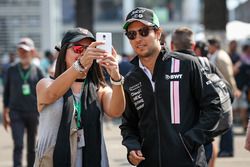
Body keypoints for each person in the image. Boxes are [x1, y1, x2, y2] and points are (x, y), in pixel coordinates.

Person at [119, 7, 223, 167]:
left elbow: (214, 107)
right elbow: (128, 124)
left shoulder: (187, 64)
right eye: (132, 34)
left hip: (189, 161)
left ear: (158, 33)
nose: (138, 38)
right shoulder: (131, 79)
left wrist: (192, 139)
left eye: (144, 31)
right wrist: (132, 147)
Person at [34, 27, 125, 167]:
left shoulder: (99, 88)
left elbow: (116, 111)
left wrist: (116, 77)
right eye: (78, 49)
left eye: (89, 49)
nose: (84, 53)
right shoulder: (46, 84)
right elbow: (51, 94)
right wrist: (80, 65)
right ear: (63, 53)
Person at [2, 37, 44, 167]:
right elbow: (6, 92)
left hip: (33, 112)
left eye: (25, 51)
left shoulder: (37, 71)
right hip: (16, 113)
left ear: (32, 52)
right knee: (18, 144)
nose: (22, 53)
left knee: (32, 147)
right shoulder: (11, 70)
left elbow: (45, 92)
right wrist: (5, 113)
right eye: (20, 50)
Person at [208, 38, 241, 157]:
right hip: (222, 92)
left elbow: (228, 75)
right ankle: (225, 149)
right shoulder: (218, 55)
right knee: (224, 120)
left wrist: (234, 89)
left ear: (214, 45)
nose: (208, 48)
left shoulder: (220, 56)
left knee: (226, 121)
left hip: (224, 93)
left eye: (209, 46)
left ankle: (227, 149)